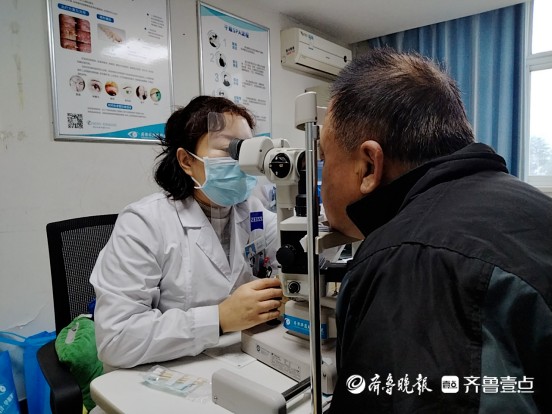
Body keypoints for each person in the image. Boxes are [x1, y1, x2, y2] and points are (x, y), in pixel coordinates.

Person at [320, 48, 552, 413]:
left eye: (324, 158)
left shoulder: (407, 260)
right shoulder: (528, 202)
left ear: (368, 166)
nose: (321, 176)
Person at [90, 96, 282, 369]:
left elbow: (306, 249)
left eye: (247, 150)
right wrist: (218, 319)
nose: (242, 162)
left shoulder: (252, 211)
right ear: (186, 160)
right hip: (161, 373)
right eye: (229, 148)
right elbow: (116, 339)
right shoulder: (144, 223)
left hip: (235, 361)